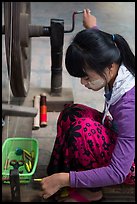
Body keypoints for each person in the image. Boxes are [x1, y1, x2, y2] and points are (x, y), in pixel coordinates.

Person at [41, 8, 135, 201]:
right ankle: (59, 175)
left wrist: (66, 179)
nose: (83, 83)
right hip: (123, 137)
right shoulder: (116, 56)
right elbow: (100, 48)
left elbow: (117, 172)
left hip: (129, 165)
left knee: (84, 132)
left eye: (86, 76)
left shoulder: (129, 106)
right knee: (71, 113)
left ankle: (91, 192)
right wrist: (92, 28)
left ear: (109, 67)